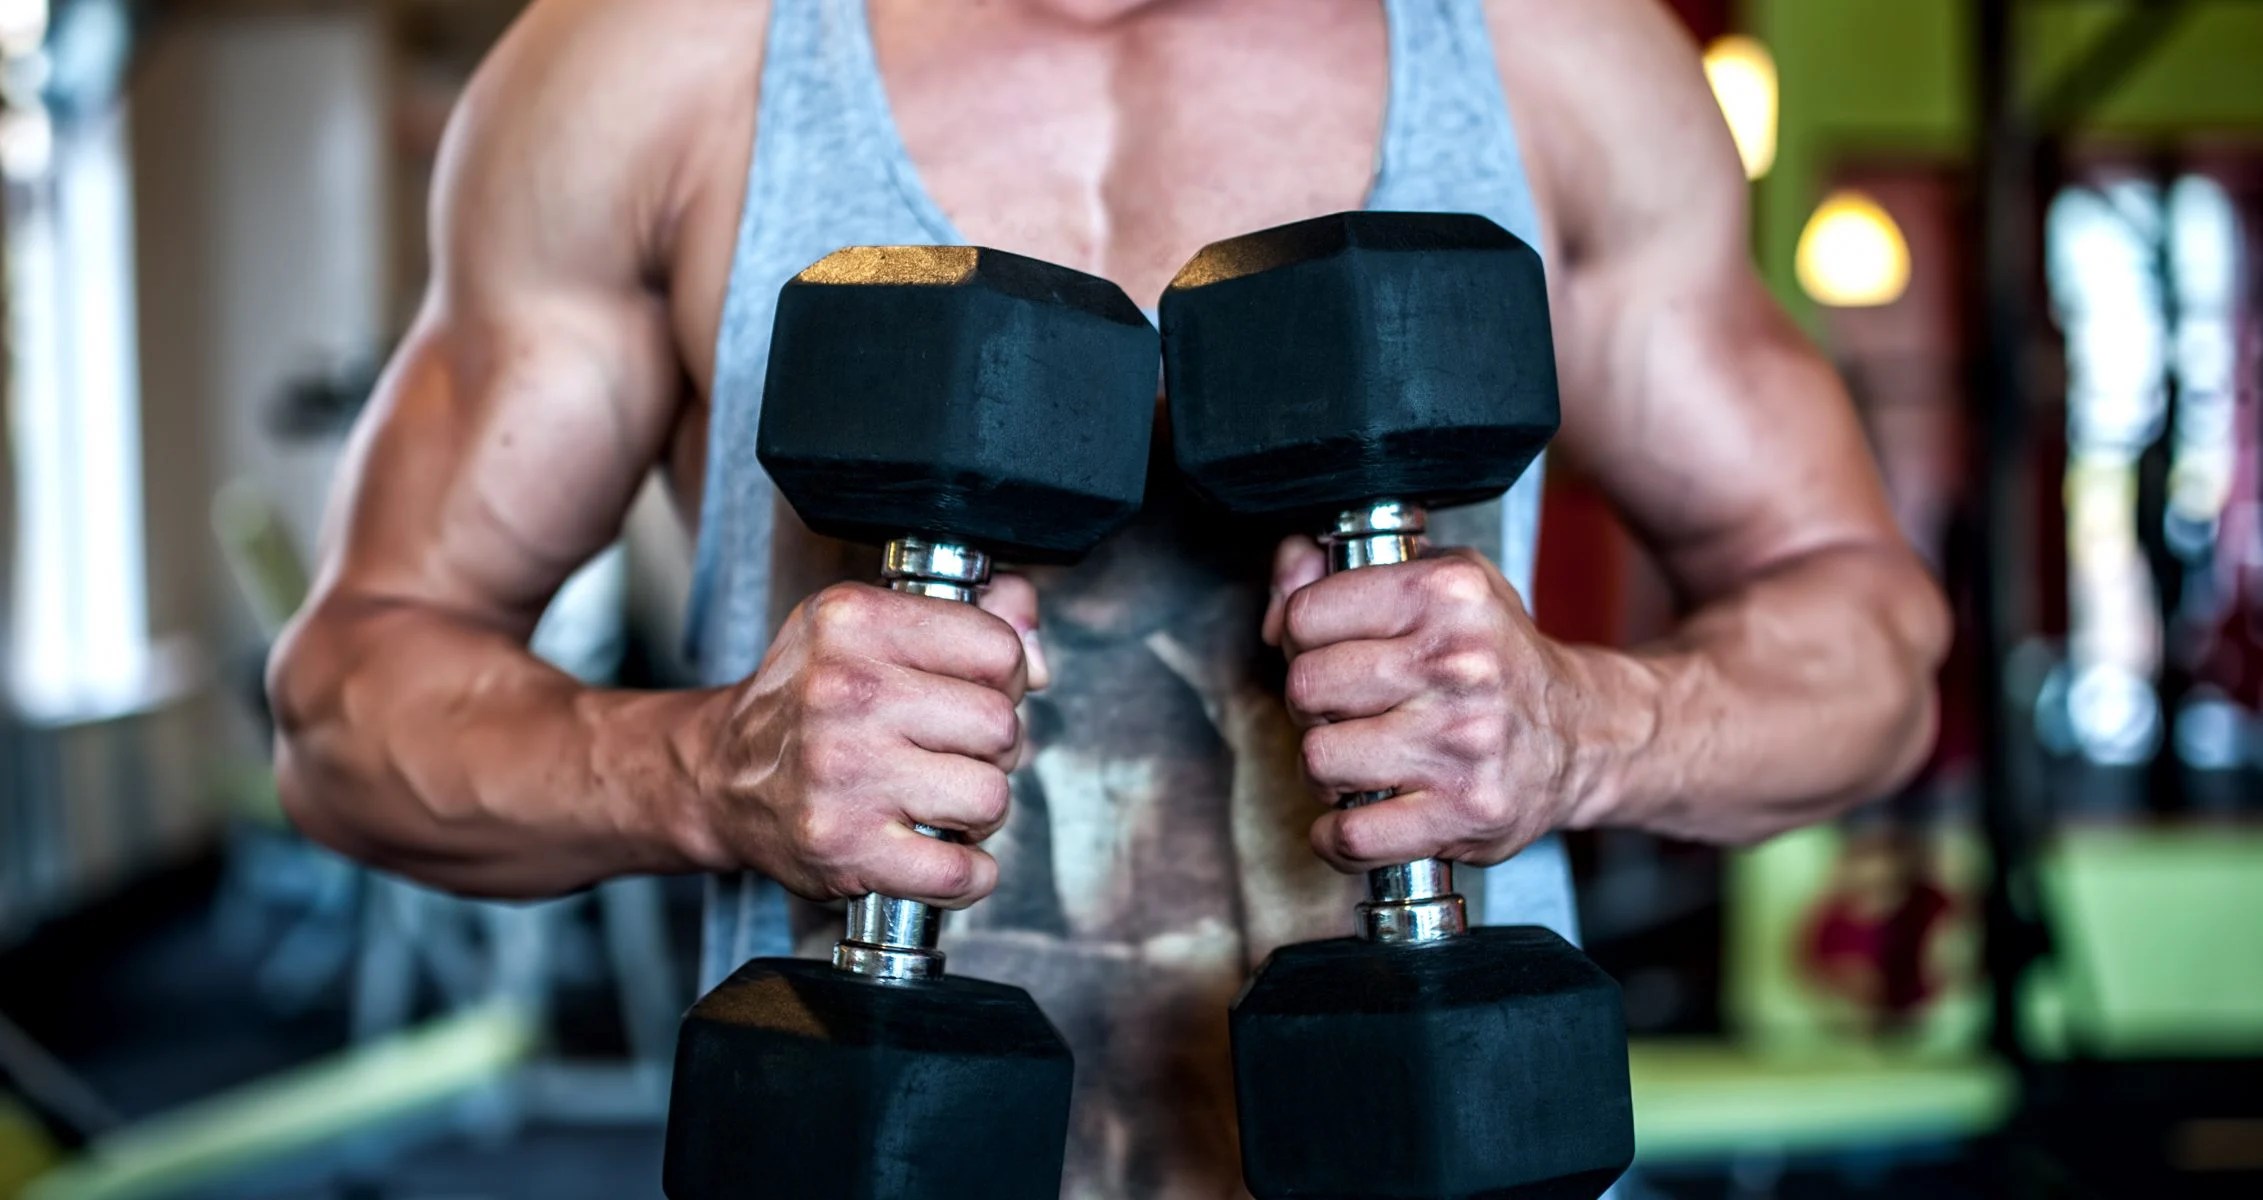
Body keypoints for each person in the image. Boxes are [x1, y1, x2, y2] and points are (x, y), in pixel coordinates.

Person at [268, 0, 1951, 1194]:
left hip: (1451, 1162)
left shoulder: (1546, 55)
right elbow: (347, 709)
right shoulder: (663, 56)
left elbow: (1872, 645)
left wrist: (1589, 729)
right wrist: (706, 768)